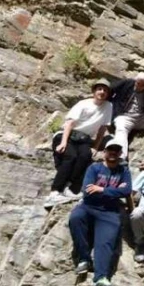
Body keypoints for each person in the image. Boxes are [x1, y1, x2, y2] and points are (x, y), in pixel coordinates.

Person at [68, 141, 132, 286]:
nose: (113, 153)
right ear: (105, 152)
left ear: (120, 154)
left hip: (109, 212)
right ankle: (84, 259)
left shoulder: (124, 171)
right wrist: (115, 190)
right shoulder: (94, 168)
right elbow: (87, 190)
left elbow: (127, 191)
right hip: (88, 207)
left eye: (117, 151)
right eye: (110, 150)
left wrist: (101, 189)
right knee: (75, 218)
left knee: (105, 242)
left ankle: (100, 279)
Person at [46, 79, 113, 209]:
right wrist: (63, 142)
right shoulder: (84, 104)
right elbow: (70, 123)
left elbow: (102, 129)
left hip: (84, 139)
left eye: (105, 90)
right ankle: (54, 192)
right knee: (70, 157)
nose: (102, 92)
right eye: (99, 89)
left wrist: (95, 147)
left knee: (85, 157)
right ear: (94, 91)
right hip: (67, 135)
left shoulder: (108, 106)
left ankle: (69, 188)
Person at [109, 72, 144, 158]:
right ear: (136, 80)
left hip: (141, 118)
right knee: (121, 130)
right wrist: (110, 103)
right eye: (138, 83)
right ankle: (121, 157)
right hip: (124, 117)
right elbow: (110, 89)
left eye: (143, 85)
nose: (139, 86)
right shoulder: (127, 83)